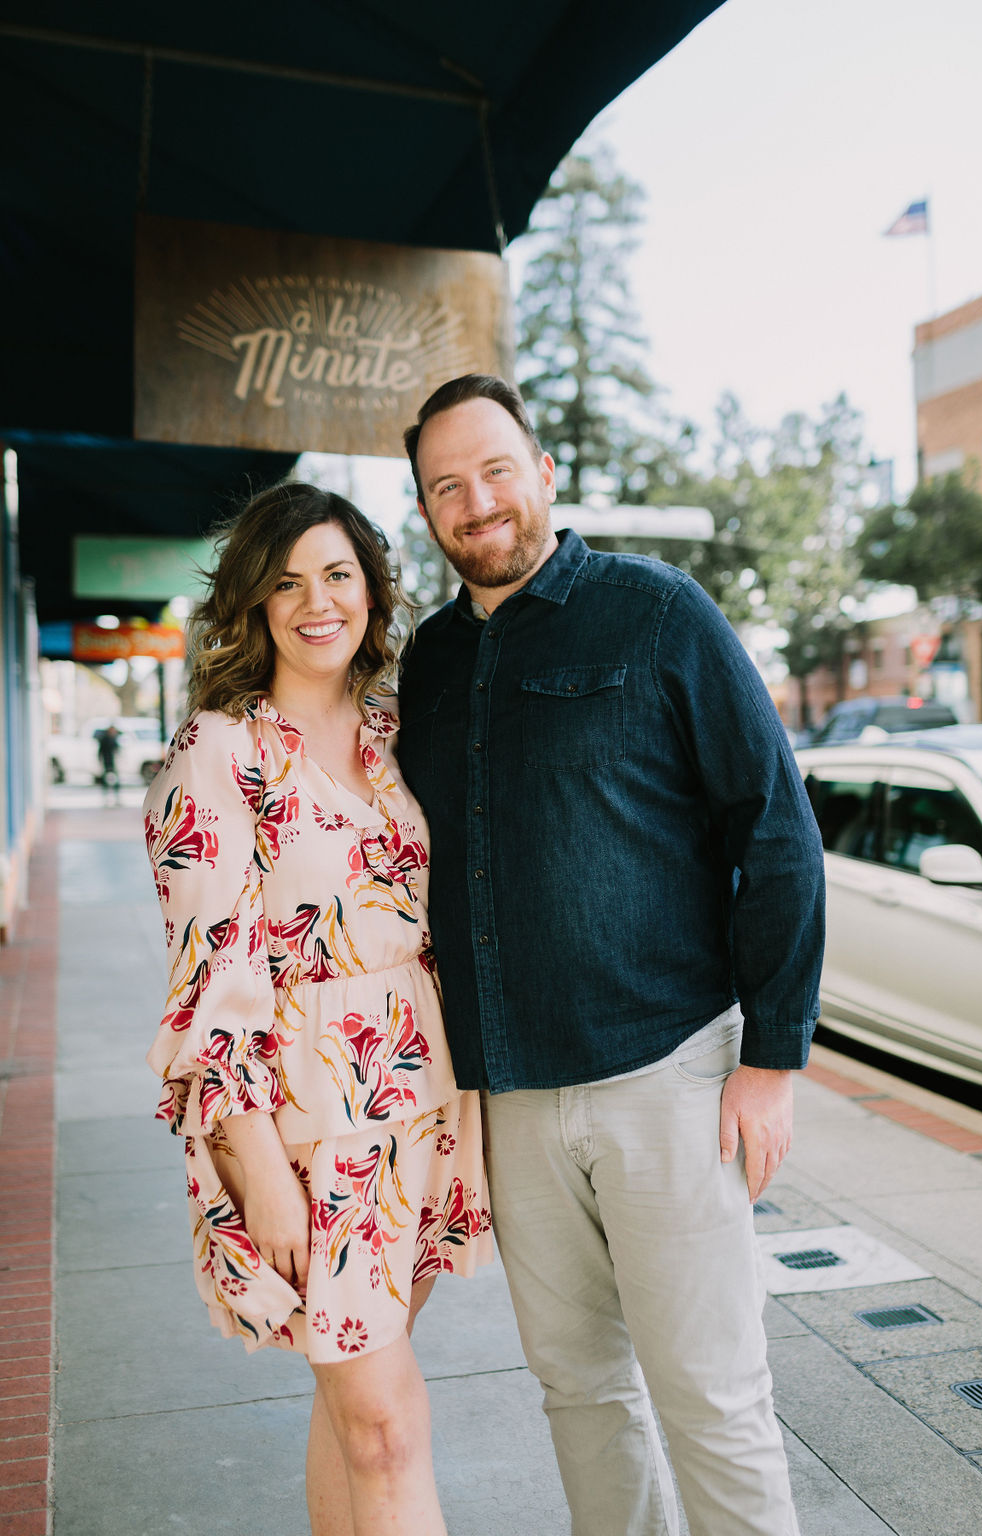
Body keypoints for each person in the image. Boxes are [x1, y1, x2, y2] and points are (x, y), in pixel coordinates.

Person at [398, 376, 826, 1536]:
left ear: (542, 470)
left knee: (713, 1400)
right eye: (446, 485)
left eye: (494, 469)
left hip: (667, 1078)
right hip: (514, 1106)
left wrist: (772, 1058)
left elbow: (776, 829)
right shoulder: (429, 664)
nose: (476, 501)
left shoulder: (657, 613)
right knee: (580, 1398)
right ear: (428, 511)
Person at [143, 482, 491, 1536]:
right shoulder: (218, 752)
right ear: (252, 601)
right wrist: (257, 1170)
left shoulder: (402, 730)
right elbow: (209, 981)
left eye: (337, 573)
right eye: (286, 581)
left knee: (356, 1413)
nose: (315, 601)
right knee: (386, 1426)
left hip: (426, 1109)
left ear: (372, 590)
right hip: (304, 1127)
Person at [97, 722, 121, 801]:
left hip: (113, 763)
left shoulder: (114, 739)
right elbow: (100, 752)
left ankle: (115, 798)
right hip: (107, 763)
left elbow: (117, 751)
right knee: (107, 781)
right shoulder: (105, 740)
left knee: (115, 781)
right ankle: (107, 797)